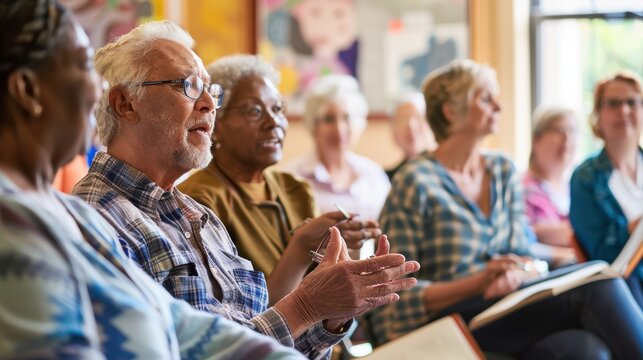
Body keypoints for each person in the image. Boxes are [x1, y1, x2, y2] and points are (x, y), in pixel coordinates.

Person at [71, 20, 420, 360]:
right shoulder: (92, 220)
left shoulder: (200, 217)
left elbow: (258, 337)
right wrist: (306, 305)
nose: (209, 103)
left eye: (211, 90)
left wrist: (330, 315)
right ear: (125, 104)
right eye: (189, 85)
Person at [0, 1, 304, 358]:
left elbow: (185, 330)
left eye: (210, 90)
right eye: (84, 64)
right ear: (27, 90)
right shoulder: (22, 222)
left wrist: (321, 316)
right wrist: (304, 308)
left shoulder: (72, 217)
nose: (98, 88)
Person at [368, 59, 643, 359]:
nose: (499, 106)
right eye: (486, 98)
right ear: (451, 111)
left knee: (584, 350)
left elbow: (524, 251)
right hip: (447, 322)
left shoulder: (502, 170)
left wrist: (520, 272)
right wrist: (480, 281)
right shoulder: (415, 181)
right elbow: (393, 294)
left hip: (506, 307)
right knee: (598, 282)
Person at [178, 54, 381, 303]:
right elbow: (244, 319)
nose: (273, 122)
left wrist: (347, 247)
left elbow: (327, 297)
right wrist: (300, 248)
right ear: (216, 122)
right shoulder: (199, 202)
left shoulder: (295, 189)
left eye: (277, 109)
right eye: (254, 111)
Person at [570, 71, 643, 308]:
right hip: (625, 287)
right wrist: (632, 229)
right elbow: (600, 259)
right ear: (598, 115)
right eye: (613, 103)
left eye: (632, 102)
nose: (624, 111)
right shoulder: (585, 178)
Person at [286, 74, 390, 241]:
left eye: (347, 117)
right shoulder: (290, 177)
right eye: (329, 119)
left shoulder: (374, 174)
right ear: (314, 126)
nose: (340, 128)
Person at [523, 106, 578, 248]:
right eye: (559, 131)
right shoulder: (521, 188)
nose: (567, 138)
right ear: (537, 139)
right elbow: (523, 235)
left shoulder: (576, 187)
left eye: (572, 131)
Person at [385, 92, 437, 180]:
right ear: (393, 132)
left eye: (418, 117)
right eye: (403, 119)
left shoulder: (452, 172)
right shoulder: (384, 180)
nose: (410, 125)